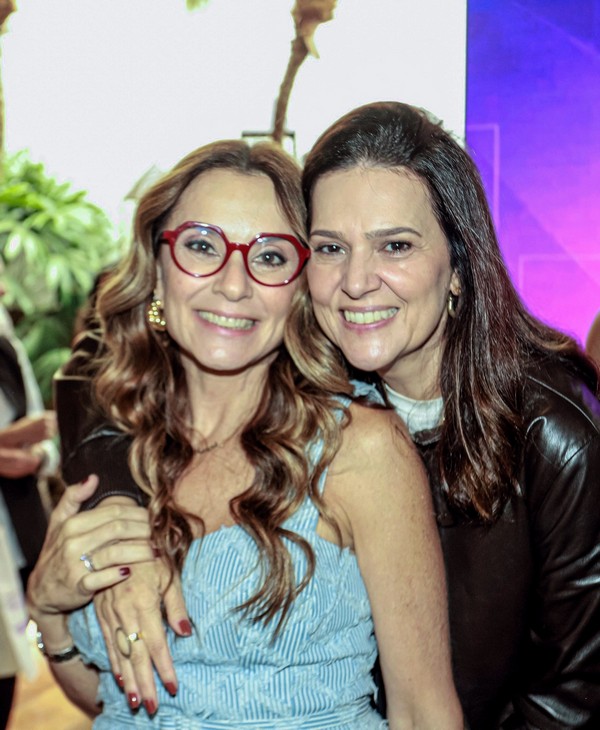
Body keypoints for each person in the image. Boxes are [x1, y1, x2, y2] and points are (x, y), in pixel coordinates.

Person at [27, 139, 462, 729]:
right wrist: (48, 611)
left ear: (300, 287)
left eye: (270, 257)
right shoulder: (117, 450)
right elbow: (117, 697)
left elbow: (424, 712)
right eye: (202, 246)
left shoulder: (358, 450)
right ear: (156, 269)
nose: (234, 285)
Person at [301, 102, 600, 729]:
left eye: (395, 246)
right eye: (330, 248)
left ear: (459, 266)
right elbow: (133, 403)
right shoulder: (299, 401)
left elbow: (575, 694)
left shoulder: (555, 432)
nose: (355, 281)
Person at [0, 285, 58, 728]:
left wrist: (36, 458)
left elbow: (47, 435)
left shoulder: (7, 349)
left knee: (7, 674)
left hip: (20, 535)